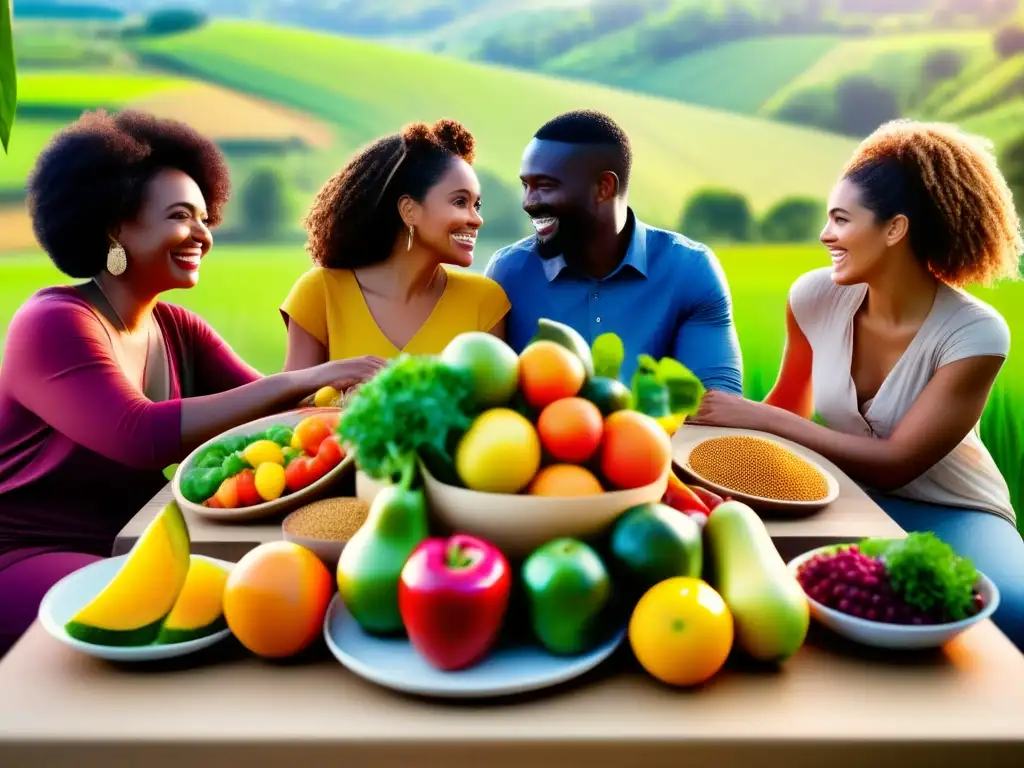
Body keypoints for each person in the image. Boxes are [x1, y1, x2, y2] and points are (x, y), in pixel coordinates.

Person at [0, 110, 386, 657]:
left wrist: (356, 403)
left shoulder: (175, 328)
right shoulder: (54, 324)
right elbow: (137, 436)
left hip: (132, 543)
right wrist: (313, 373)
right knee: (202, 611)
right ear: (115, 227)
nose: (203, 235)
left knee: (263, 600)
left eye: (206, 217)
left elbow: (279, 409)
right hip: (28, 554)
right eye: (182, 216)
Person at [692, 119, 1024, 649]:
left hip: (954, 508)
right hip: (845, 498)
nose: (826, 234)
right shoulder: (813, 297)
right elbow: (788, 411)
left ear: (894, 229)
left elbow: (898, 461)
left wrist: (758, 415)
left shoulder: (975, 332)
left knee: (1013, 615)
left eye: (841, 219)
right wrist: (708, 463)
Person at [484, 109, 742, 392]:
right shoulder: (508, 273)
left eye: (545, 186)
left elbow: (716, 404)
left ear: (604, 188)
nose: (528, 202)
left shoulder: (689, 270)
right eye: (526, 186)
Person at [280, 119, 511, 369]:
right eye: (459, 202)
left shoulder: (485, 302)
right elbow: (294, 403)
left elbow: (492, 405)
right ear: (409, 210)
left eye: (476, 205)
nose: (476, 219)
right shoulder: (320, 293)